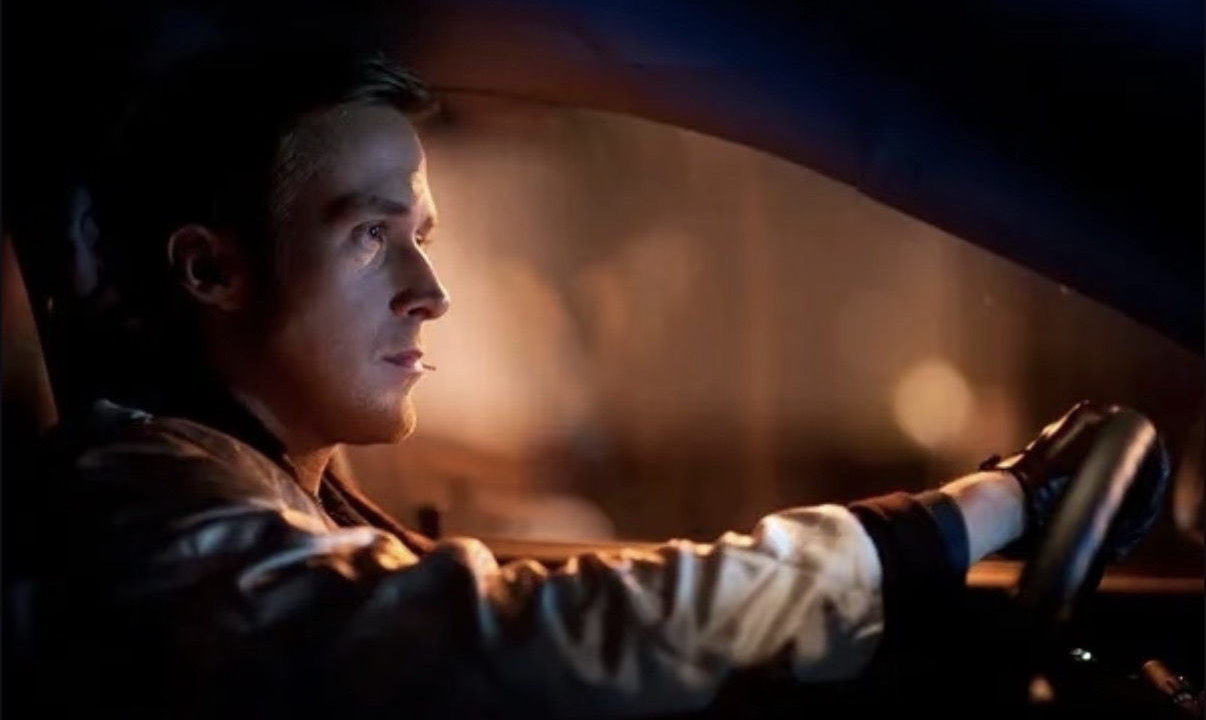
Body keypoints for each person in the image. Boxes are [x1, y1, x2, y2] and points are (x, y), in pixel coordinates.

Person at [6, 45, 1169, 720]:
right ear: (211, 269)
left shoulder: (281, 489)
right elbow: (527, 638)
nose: (429, 291)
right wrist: (979, 509)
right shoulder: (143, 499)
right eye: (370, 236)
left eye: (422, 236)